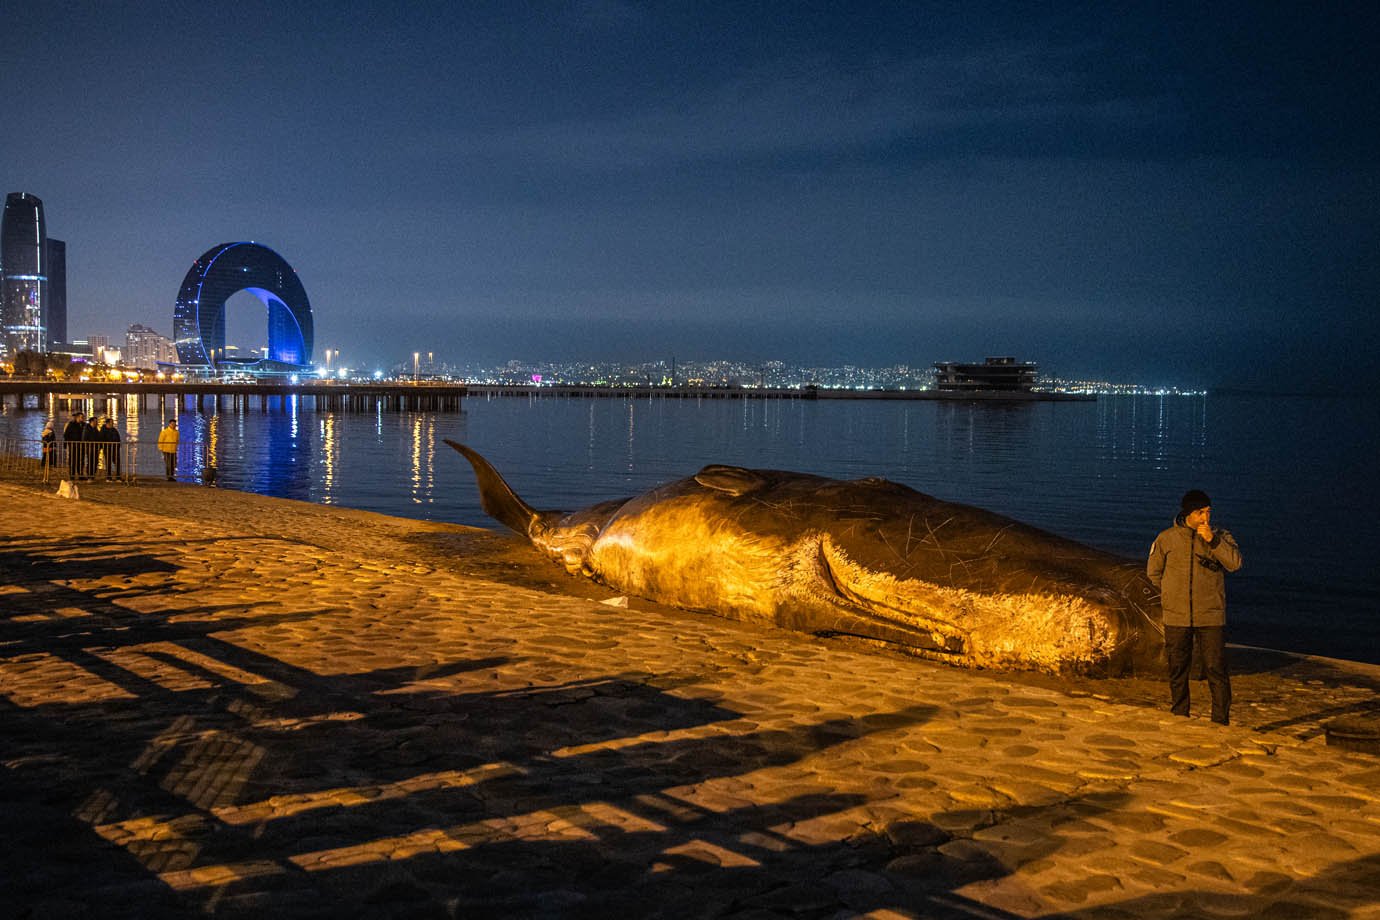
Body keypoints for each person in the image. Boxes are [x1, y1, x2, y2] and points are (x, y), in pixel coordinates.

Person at [1147, 489, 1243, 725]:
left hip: (1210, 616)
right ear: (1188, 513)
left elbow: (1235, 564)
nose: (1205, 518)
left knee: (1215, 669)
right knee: (1178, 668)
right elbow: (1154, 573)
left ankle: (1220, 720)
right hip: (1177, 616)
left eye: (1208, 512)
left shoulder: (1221, 536)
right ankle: (1180, 713)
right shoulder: (1167, 538)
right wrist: (1172, 596)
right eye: (1201, 513)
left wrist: (1214, 541)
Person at [62, 410, 87, 481]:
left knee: (81, 460)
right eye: (81, 417)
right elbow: (66, 434)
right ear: (77, 417)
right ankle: (72, 475)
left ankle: (80, 474)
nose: (82, 418)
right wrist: (66, 444)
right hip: (73, 445)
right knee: (73, 460)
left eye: (83, 417)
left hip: (81, 446)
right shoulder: (71, 424)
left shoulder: (84, 425)